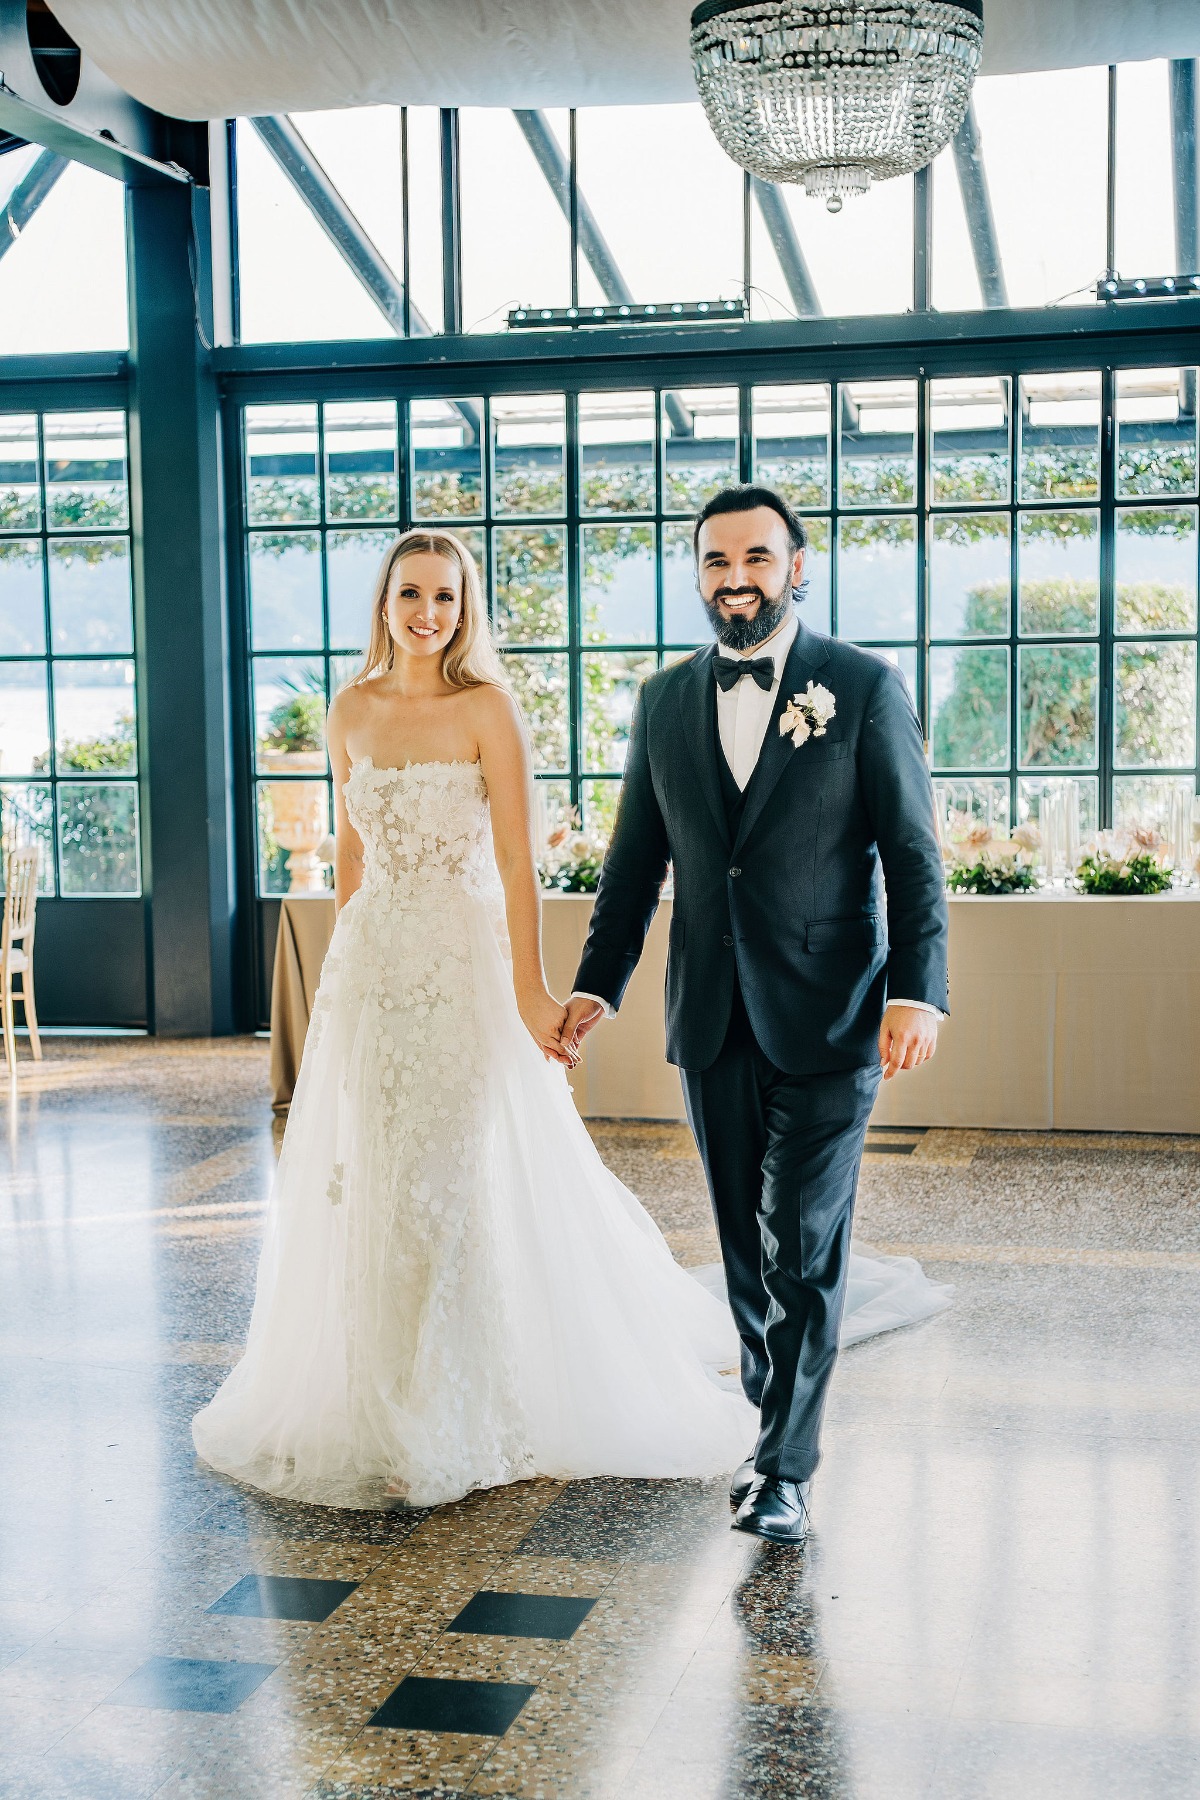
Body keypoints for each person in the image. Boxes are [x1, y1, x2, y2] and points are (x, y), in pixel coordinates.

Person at [193, 522, 948, 1517]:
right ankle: (378, 1401)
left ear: (467, 611)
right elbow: (351, 851)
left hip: (464, 972)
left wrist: (534, 992)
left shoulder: (489, 710)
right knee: (371, 1178)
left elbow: (516, 862)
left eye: (447, 598)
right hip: (374, 973)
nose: (429, 614)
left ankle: (483, 1399)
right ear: (384, 604)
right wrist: (345, 970)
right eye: (412, 595)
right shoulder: (350, 711)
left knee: (458, 1178)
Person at [562, 484, 951, 1545]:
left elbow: (913, 854)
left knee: (802, 1246)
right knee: (744, 1250)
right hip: (712, 1018)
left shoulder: (864, 688)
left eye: (757, 559)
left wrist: (918, 991)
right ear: (698, 574)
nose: (737, 579)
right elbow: (635, 863)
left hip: (833, 1016)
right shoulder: (663, 700)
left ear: (797, 565)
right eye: (716, 562)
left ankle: (785, 1467)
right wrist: (599, 983)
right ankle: (770, 1416)